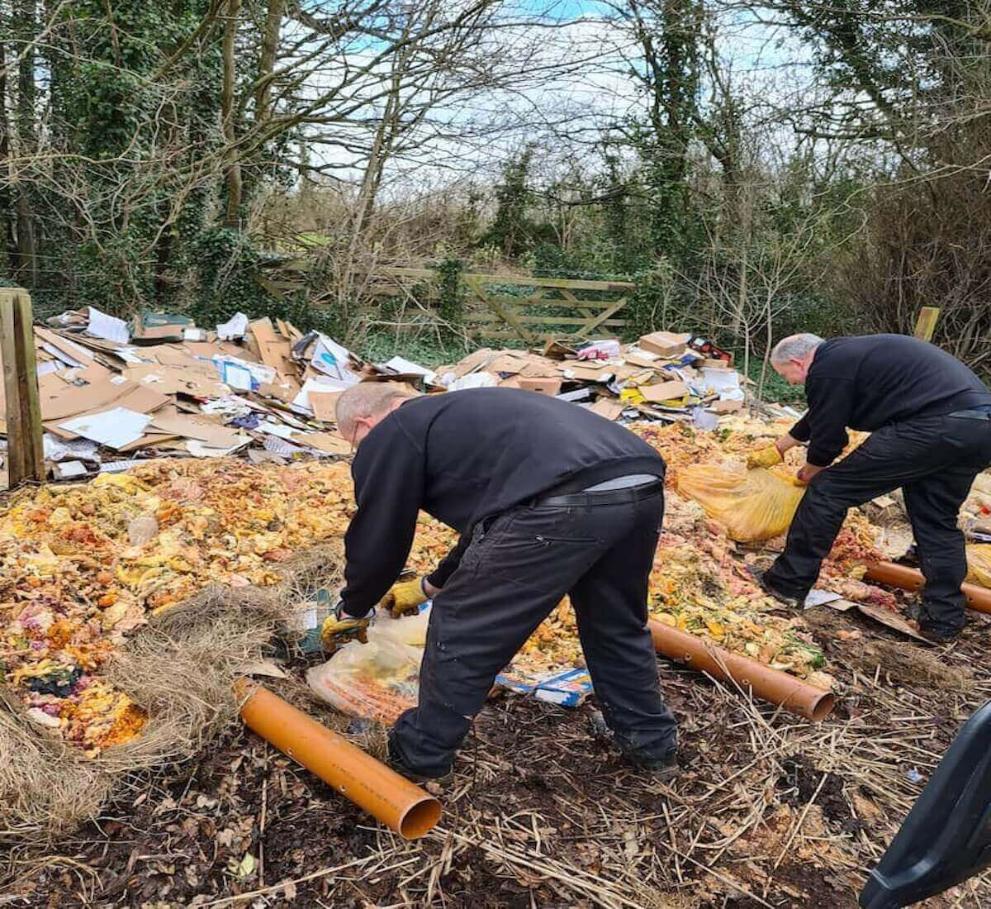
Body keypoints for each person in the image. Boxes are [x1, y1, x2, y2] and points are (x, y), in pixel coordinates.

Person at [321, 382, 678, 782]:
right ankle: (651, 745)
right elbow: (492, 526)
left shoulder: (393, 431)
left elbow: (380, 536)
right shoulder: (465, 416)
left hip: (561, 500)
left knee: (462, 626)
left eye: (354, 443)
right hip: (639, 482)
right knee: (616, 623)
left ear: (363, 423)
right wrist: (428, 587)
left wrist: (353, 607)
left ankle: (419, 755)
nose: (361, 454)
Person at [748, 333, 991, 642]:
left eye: (787, 376)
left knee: (828, 490)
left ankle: (786, 584)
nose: (792, 384)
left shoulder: (827, 366)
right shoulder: (847, 358)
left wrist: (811, 471)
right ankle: (942, 620)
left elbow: (829, 440)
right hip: (978, 428)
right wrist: (779, 448)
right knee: (936, 522)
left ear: (797, 361)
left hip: (931, 425)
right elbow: (822, 413)